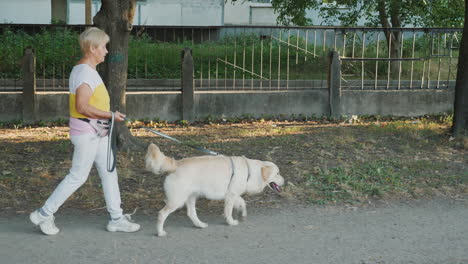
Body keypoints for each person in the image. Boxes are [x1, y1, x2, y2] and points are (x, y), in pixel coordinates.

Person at [29, 27, 140, 235]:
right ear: (92, 48)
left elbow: (90, 105)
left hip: (97, 132)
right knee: (78, 176)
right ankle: (44, 213)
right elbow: (82, 107)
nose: (106, 51)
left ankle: (116, 218)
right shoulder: (83, 72)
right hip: (87, 133)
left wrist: (110, 114)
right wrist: (110, 116)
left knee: (109, 173)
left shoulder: (88, 71)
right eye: (103, 47)